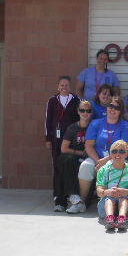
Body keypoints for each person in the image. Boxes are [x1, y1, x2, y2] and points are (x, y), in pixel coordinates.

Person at [79, 96, 128, 203]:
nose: (113, 109)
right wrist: (98, 161)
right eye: (111, 106)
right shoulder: (96, 123)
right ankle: (81, 201)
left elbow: (124, 149)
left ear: (121, 111)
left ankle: (111, 201)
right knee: (86, 166)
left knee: (112, 166)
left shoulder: (126, 126)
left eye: (117, 108)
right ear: (106, 107)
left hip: (118, 158)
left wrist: (106, 160)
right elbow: (88, 145)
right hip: (96, 158)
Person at [45, 75, 79, 212]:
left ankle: (70, 193)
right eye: (62, 85)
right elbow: (47, 121)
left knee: (69, 165)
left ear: (70, 87)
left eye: (67, 85)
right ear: (58, 86)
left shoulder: (76, 100)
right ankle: (57, 193)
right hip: (56, 139)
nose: (64, 88)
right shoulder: (53, 101)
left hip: (71, 139)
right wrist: (48, 139)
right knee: (57, 165)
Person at [57, 100, 93, 214]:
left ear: (91, 112)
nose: (85, 113)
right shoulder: (72, 128)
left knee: (76, 165)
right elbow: (64, 149)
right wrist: (80, 152)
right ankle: (72, 196)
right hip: (74, 156)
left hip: (90, 157)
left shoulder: (94, 126)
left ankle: (64, 201)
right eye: (82, 110)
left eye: (88, 110)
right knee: (67, 161)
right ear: (78, 112)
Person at [96, 140, 128, 230]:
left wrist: (124, 191)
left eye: (122, 151)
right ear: (111, 154)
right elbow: (99, 192)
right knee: (109, 197)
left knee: (124, 197)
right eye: (114, 151)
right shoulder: (103, 170)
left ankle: (122, 218)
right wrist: (107, 192)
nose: (118, 154)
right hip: (106, 205)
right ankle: (109, 219)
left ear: (127, 154)